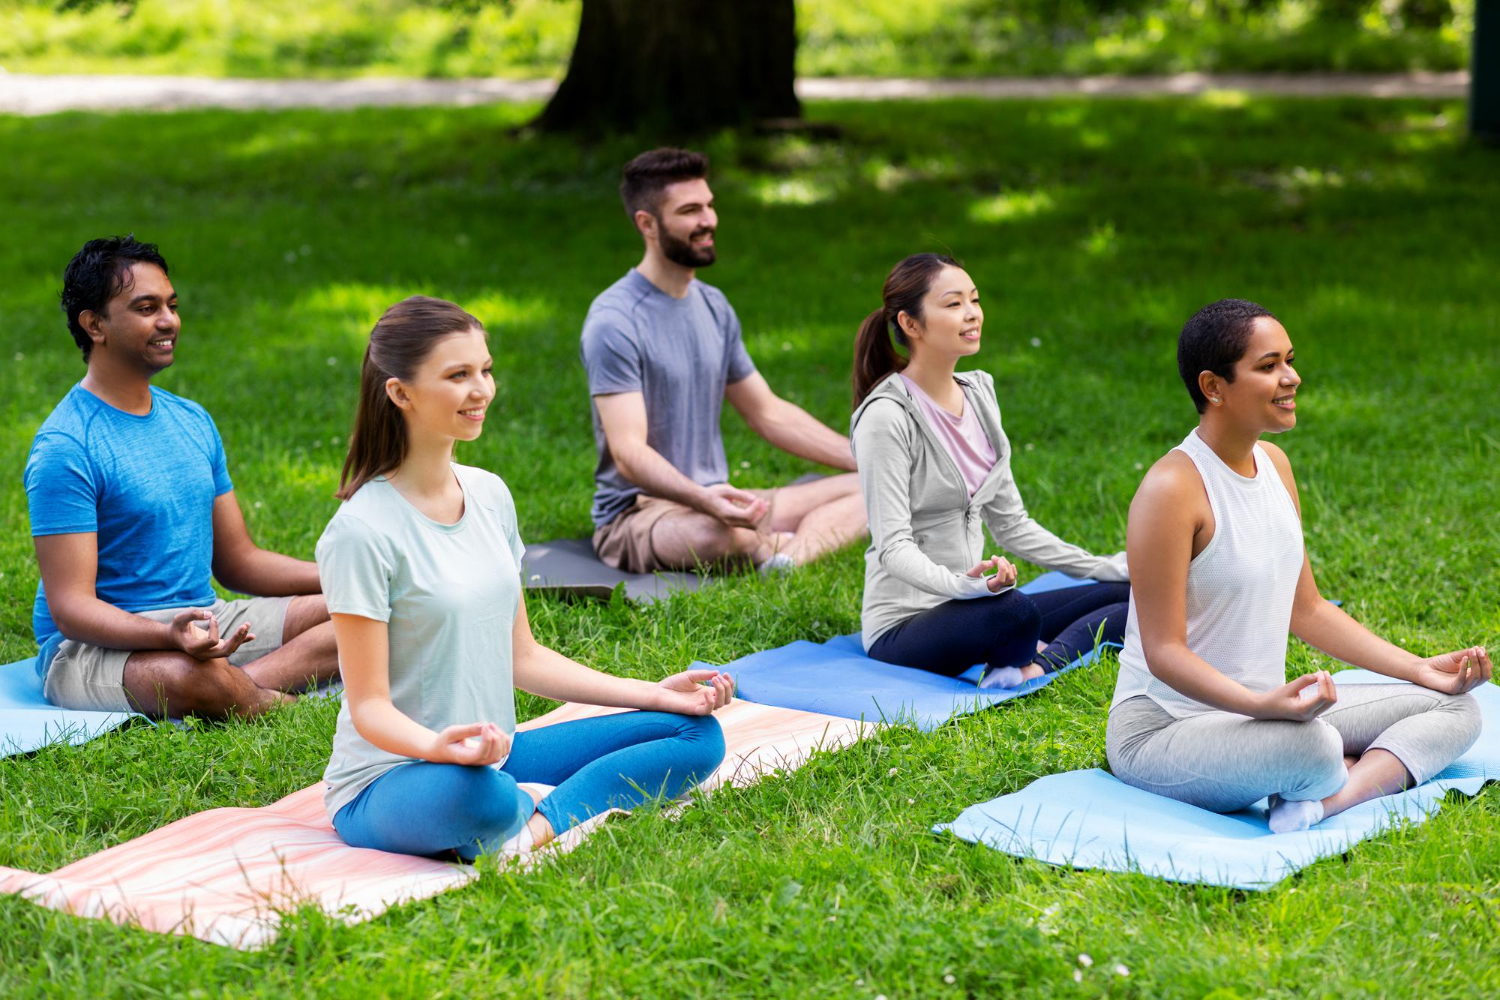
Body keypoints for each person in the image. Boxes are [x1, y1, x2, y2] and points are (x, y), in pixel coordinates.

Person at [320, 296, 734, 859]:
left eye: (485, 370)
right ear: (401, 392)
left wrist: (654, 694)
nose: (482, 390)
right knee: (478, 796)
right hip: (395, 775)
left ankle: (538, 826)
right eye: (458, 375)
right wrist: (439, 748)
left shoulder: (489, 494)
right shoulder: (361, 532)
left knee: (693, 734)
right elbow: (369, 707)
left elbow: (524, 657)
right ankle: (511, 814)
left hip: (493, 755)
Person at [1108, 299, 1488, 833]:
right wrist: (1261, 704)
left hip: (1265, 716)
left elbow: (1306, 609)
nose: (1292, 378)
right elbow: (1164, 651)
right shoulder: (1172, 489)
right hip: (1164, 729)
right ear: (1214, 387)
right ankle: (1338, 771)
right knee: (1314, 746)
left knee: (1457, 709)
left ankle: (1323, 804)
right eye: (1268, 367)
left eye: (1288, 360)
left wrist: (1417, 667)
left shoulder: (1276, 466)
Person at [23, 236, 337, 719]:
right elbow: (71, 609)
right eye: (147, 308)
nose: (169, 321)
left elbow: (239, 563)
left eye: (171, 305)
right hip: (91, 648)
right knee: (185, 678)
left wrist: (343, 579)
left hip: (201, 620)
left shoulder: (192, 420)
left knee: (362, 611)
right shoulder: (66, 447)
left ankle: (236, 686)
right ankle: (260, 697)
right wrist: (166, 637)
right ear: (95, 324)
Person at [849, 254, 1131, 689]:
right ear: (910, 323)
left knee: (1131, 593)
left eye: (974, 300)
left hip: (977, 604)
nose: (972, 314)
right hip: (905, 624)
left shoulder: (980, 393)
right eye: (953, 303)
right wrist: (964, 587)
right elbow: (892, 548)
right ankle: (1029, 651)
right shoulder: (886, 417)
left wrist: (1105, 566)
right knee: (1014, 612)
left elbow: (1012, 525)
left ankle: (1034, 663)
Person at [582, 147, 867, 576]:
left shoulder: (713, 306)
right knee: (722, 537)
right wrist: (704, 499)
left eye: (710, 205)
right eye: (690, 210)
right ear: (647, 224)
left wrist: (865, 458)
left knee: (883, 485)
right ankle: (783, 542)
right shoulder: (615, 320)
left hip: (722, 498)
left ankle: (787, 555)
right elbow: (628, 453)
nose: (709, 220)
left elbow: (768, 413)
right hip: (643, 514)